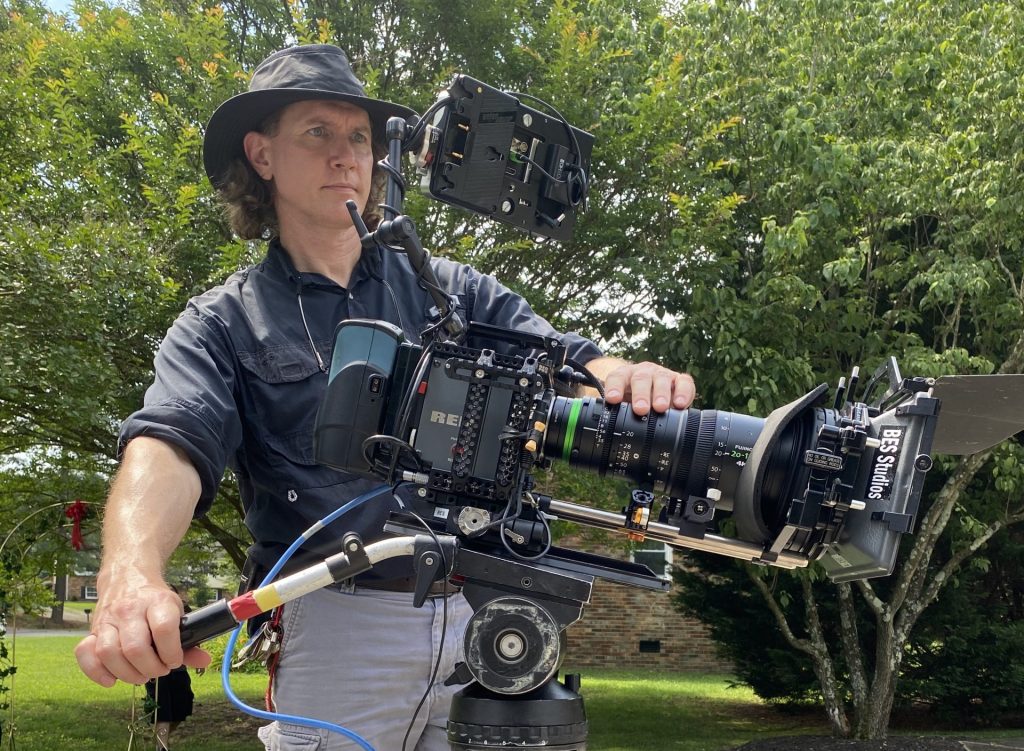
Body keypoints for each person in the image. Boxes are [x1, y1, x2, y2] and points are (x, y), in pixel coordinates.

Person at [74, 44, 695, 750]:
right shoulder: (221, 322)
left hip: (486, 609)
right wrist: (131, 573)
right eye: (318, 131)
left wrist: (625, 375)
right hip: (337, 625)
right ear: (262, 154)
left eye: (360, 137)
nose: (346, 154)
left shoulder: (453, 290)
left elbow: (578, 365)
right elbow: (170, 444)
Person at [143, 585, 195, 750]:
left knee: (184, 706)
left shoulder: (184, 610)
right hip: (156, 671)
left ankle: (161, 738)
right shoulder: (149, 611)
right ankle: (161, 746)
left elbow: (194, 633)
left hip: (179, 669)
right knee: (162, 710)